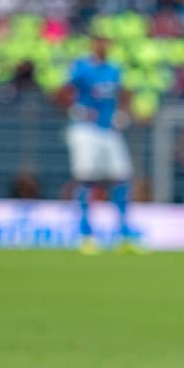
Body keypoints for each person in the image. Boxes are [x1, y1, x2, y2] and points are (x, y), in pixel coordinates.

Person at [60, 35, 138, 253]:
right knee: (86, 178)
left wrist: (123, 112)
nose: (103, 47)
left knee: (121, 177)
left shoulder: (114, 69)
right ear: (93, 45)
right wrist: (74, 108)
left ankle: (123, 235)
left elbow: (124, 93)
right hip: (86, 129)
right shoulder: (82, 68)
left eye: (106, 43)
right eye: (100, 43)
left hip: (109, 129)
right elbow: (62, 91)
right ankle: (86, 234)